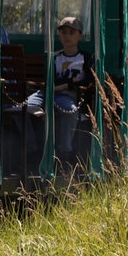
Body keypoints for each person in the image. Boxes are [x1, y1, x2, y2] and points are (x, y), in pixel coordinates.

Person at [25, 16, 94, 163]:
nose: (67, 36)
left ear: (80, 36)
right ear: (59, 35)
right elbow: (50, 80)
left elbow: (87, 80)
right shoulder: (54, 57)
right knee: (26, 107)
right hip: (46, 93)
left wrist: (67, 86)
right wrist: (69, 83)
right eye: (63, 32)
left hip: (67, 96)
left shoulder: (85, 58)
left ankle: (64, 152)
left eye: (71, 32)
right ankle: (32, 149)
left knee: (70, 111)